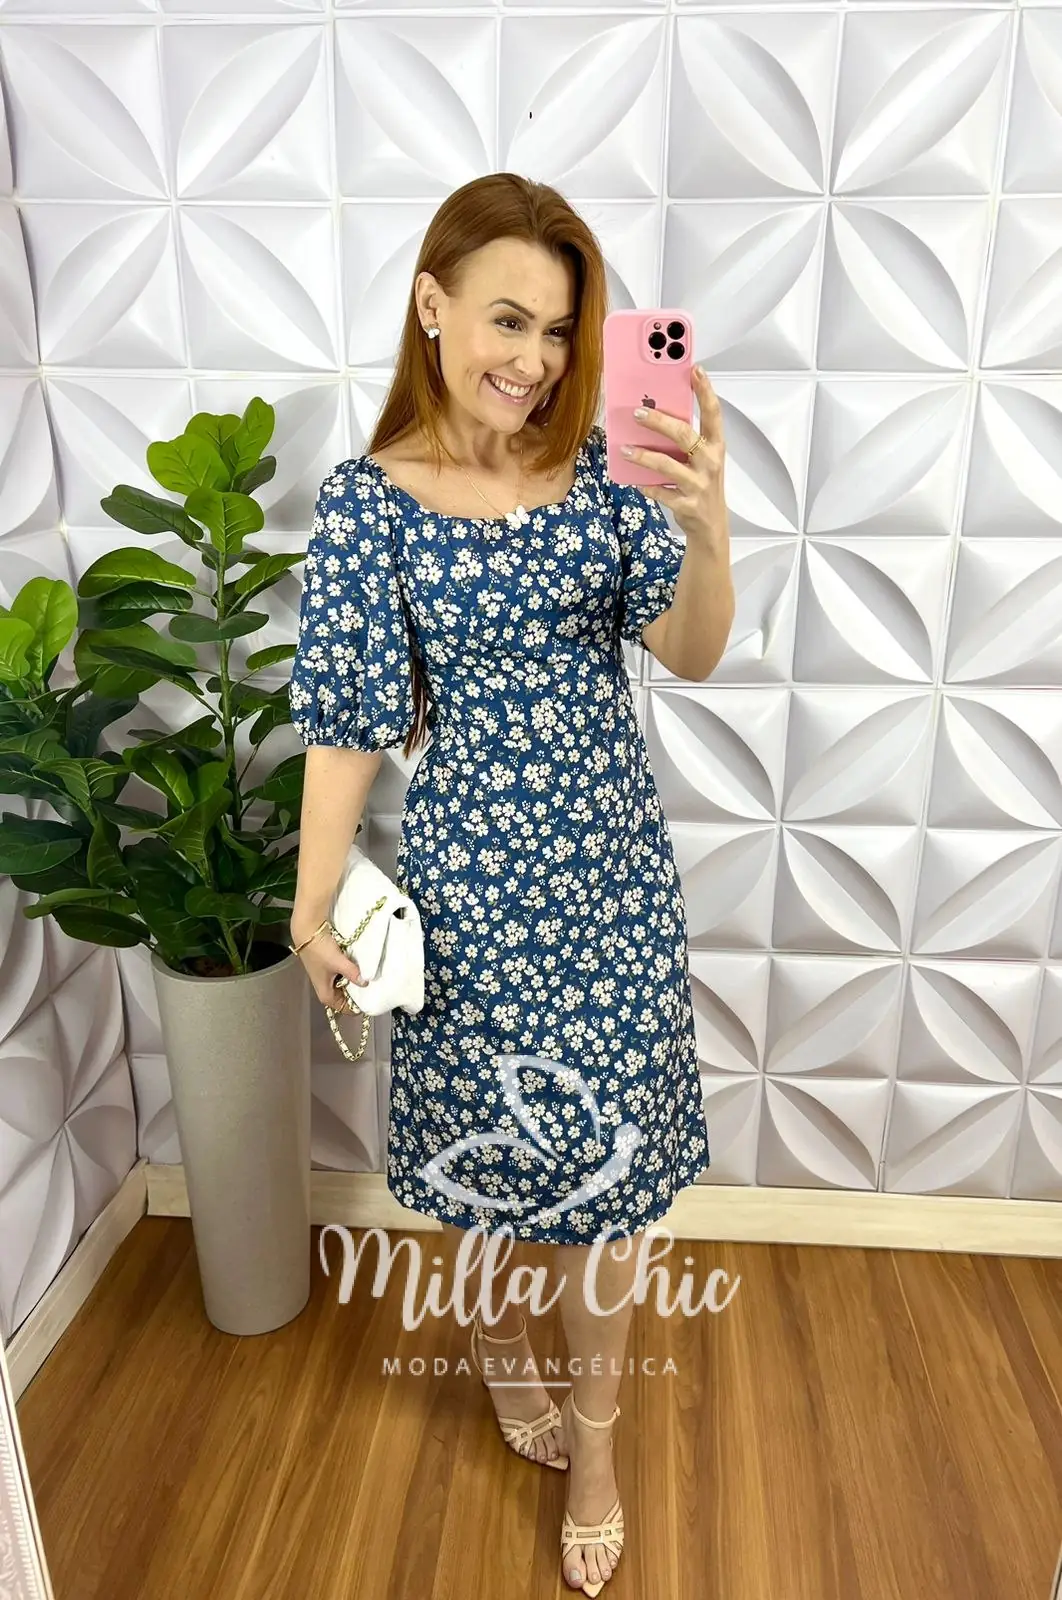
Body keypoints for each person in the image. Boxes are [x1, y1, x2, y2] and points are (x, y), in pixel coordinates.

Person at [287, 172, 733, 1594]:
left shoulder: (608, 468)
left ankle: (595, 1448)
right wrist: (310, 907)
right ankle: (495, 1348)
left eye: (557, 330)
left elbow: (692, 652)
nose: (534, 360)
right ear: (432, 304)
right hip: (469, 895)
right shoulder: (369, 506)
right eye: (506, 318)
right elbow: (349, 725)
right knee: (481, 1169)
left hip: (611, 887)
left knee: (612, 1184)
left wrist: (710, 518)